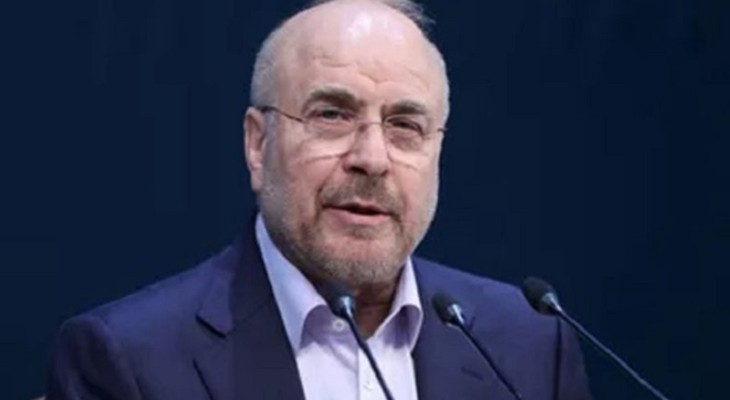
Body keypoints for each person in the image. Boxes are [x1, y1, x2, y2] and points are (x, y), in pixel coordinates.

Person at [47, 0, 592, 399]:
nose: (372, 158)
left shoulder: (531, 344)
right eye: (332, 115)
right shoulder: (127, 360)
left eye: (405, 126)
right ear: (258, 144)